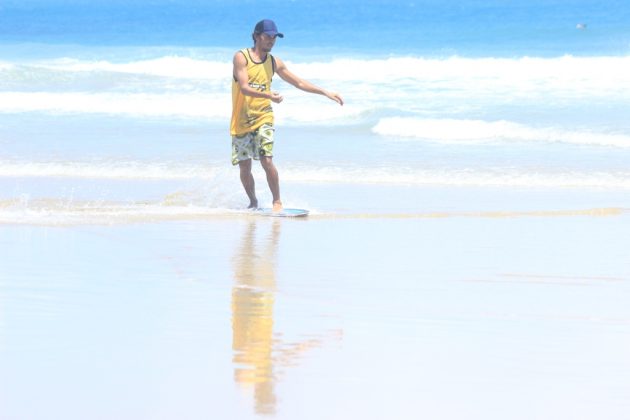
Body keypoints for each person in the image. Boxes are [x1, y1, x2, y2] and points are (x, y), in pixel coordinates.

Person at [230, 19, 344, 211]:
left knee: (267, 159)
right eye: (268, 36)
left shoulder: (274, 62)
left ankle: (277, 202)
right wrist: (268, 94)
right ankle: (253, 202)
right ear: (257, 36)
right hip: (241, 119)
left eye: (275, 37)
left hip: (263, 117)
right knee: (244, 167)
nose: (272, 41)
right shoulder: (241, 57)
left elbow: (298, 82)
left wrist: (325, 92)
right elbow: (244, 88)